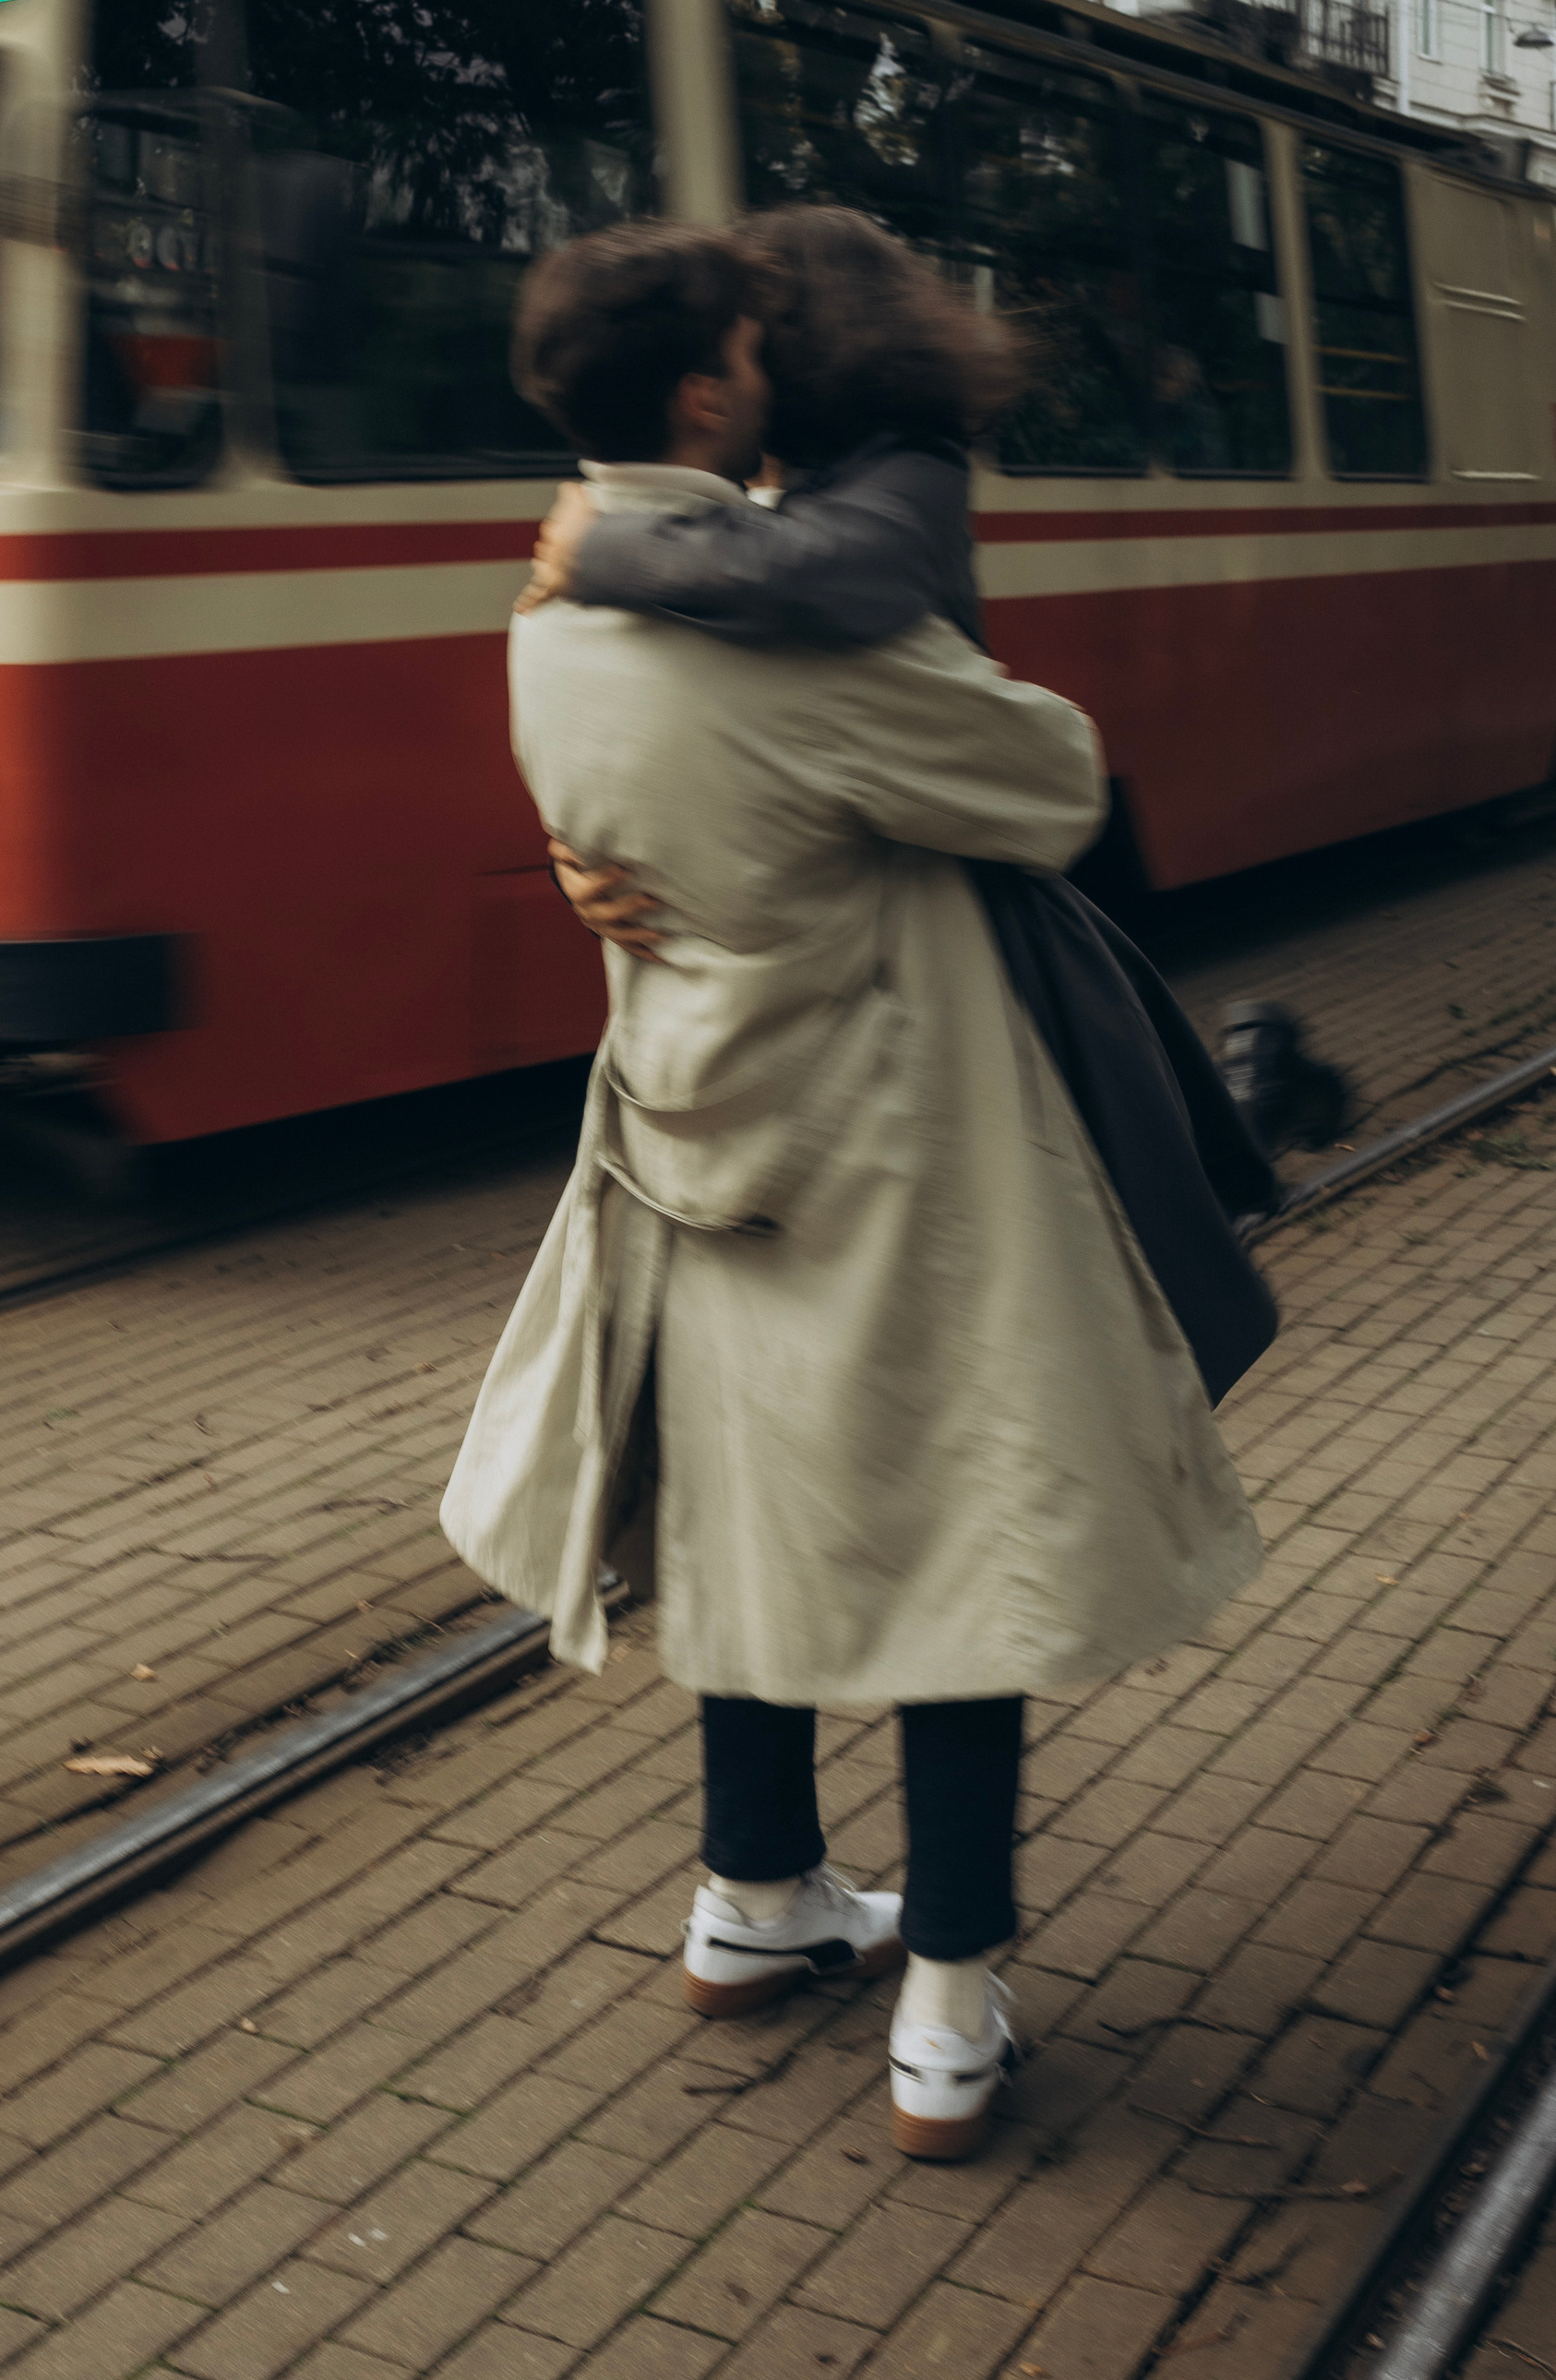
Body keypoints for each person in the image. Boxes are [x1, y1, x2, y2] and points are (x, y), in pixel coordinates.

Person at [441, 219, 1262, 2159]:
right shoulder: (799, 651)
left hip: (693, 1133)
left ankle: (753, 1895)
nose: (772, 371)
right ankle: (948, 2009)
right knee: (960, 1540)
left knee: (751, 1532)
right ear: (707, 395)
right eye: (750, 350)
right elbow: (1047, 780)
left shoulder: (547, 614)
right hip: (901, 1154)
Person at [526, 203, 1283, 1404]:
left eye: (759, 328)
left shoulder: (905, 467)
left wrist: (603, 555)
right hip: (868, 933)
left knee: (1116, 1215)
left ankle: (1242, 1151)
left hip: (959, 891)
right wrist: (591, 844)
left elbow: (823, 581)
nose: (748, 353)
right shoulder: (776, 498)